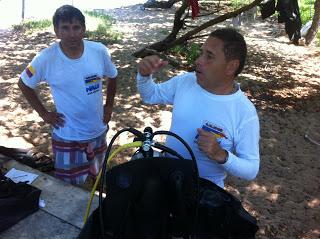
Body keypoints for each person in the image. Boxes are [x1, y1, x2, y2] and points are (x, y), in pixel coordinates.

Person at [136, 28, 260, 188]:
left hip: (205, 192)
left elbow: (251, 169)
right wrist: (144, 75)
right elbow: (150, 95)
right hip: (166, 176)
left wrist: (220, 154)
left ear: (231, 67)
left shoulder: (244, 112)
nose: (198, 61)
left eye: (209, 56)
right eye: (202, 53)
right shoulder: (186, 81)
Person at [18, 5, 118, 184]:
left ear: (84, 29)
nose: (71, 34)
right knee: (67, 187)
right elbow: (24, 83)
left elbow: (113, 76)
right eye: (65, 28)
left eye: (76, 27)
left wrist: (109, 106)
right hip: (67, 135)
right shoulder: (45, 58)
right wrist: (44, 114)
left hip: (98, 131)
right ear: (56, 31)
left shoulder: (99, 51)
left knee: (98, 181)